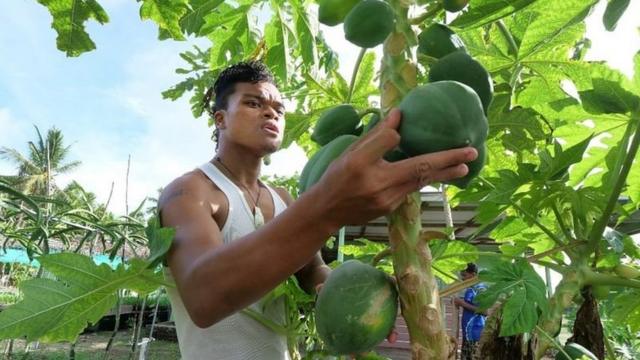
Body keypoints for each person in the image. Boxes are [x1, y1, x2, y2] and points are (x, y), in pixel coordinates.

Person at [158, 61, 478, 359]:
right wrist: (327, 206)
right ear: (220, 118)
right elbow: (204, 295)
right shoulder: (189, 191)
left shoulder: (282, 198)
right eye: (254, 103)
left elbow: (312, 271)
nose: (271, 114)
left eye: (278, 109)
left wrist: (352, 292)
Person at [453, 263, 487, 360]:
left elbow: (484, 311)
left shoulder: (481, 289)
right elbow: (471, 303)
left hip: (475, 334)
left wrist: (461, 303)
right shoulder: (471, 288)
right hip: (468, 333)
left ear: (473, 275)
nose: (463, 278)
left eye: (464, 275)